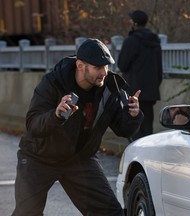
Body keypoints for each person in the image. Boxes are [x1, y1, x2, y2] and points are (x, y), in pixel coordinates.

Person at [12, 38, 143, 216]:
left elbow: (123, 130)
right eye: (98, 67)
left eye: (106, 66)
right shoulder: (54, 83)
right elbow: (33, 124)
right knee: (27, 213)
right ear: (80, 65)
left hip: (80, 159)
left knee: (110, 212)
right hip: (39, 158)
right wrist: (56, 115)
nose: (104, 72)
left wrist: (133, 116)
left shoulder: (110, 89)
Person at [117, 9, 163, 141]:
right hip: (150, 91)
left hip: (133, 91)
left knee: (133, 127)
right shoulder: (155, 41)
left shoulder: (131, 41)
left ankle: (135, 156)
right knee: (147, 128)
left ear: (135, 23)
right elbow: (159, 68)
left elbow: (122, 65)